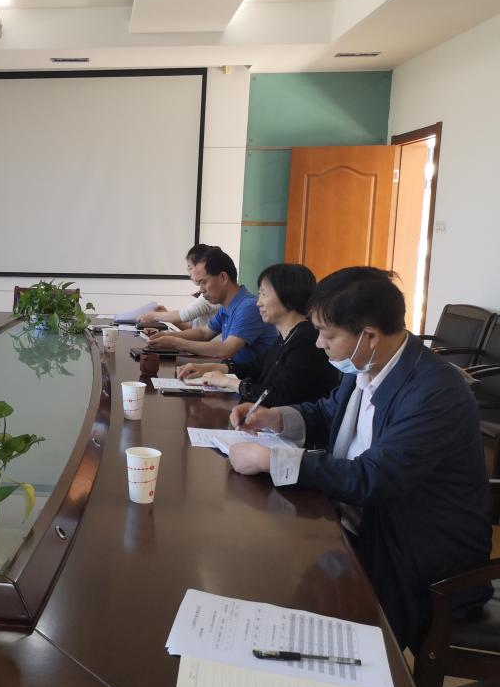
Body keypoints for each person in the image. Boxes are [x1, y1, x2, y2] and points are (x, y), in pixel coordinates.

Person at [226, 267, 491, 649]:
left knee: (300, 623)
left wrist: (272, 461)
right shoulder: (367, 364)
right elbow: (327, 412)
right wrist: (275, 417)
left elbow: (373, 478)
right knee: (257, 564)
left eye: (328, 334)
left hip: (415, 553)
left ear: (369, 336)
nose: (319, 343)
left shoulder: (434, 392)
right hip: (358, 522)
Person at [175, 263, 339, 407]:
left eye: (264, 294)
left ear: (288, 295)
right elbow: (256, 367)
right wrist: (211, 368)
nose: (259, 302)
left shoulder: (307, 340)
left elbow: (278, 396)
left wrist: (227, 381)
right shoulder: (288, 336)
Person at [144, 247, 278, 366]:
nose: (201, 290)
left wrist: (175, 342)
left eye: (204, 282)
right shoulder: (226, 306)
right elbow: (203, 333)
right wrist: (167, 335)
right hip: (233, 373)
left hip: (251, 381)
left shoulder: (248, 307)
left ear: (223, 278)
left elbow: (226, 349)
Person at [133, 243, 219, 330]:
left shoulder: (211, 294)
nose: (189, 273)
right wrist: (165, 313)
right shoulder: (206, 293)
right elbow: (189, 327)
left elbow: (186, 315)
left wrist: (154, 316)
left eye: (190, 268)